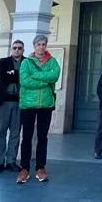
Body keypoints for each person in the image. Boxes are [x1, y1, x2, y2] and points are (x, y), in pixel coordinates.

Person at [16, 35, 61, 183]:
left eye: (44, 44)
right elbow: (25, 81)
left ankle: (41, 167)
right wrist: (44, 81)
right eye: (39, 44)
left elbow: (54, 76)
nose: (41, 47)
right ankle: (25, 168)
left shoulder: (53, 61)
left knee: (43, 137)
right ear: (34, 45)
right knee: (27, 137)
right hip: (28, 104)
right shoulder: (26, 63)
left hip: (45, 104)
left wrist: (36, 76)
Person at [0, 40, 24, 175]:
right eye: (14, 48)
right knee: (0, 132)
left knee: (15, 133)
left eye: (20, 48)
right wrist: (16, 75)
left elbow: (26, 78)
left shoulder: (28, 62)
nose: (17, 50)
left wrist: (13, 73)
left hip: (20, 102)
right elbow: (2, 76)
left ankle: (11, 160)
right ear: (11, 49)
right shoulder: (3, 62)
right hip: (3, 102)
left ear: (23, 50)